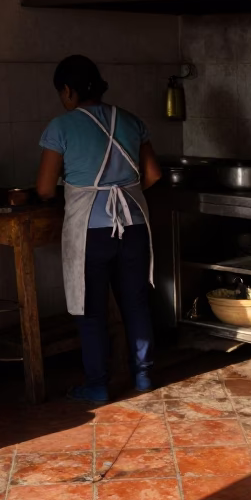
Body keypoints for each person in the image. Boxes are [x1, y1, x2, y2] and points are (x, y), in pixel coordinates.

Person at [37, 55, 162, 402]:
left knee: (91, 309)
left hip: (90, 232)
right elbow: (153, 175)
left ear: (68, 90)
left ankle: (97, 385)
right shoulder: (131, 120)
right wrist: (121, 190)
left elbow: (45, 189)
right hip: (134, 225)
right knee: (135, 303)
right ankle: (143, 375)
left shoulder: (61, 127)